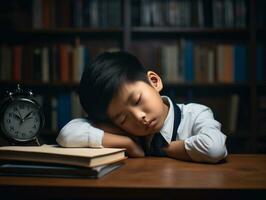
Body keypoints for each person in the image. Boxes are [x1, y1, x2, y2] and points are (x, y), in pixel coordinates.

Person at [56, 51, 227, 163]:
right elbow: (67, 134)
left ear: (154, 81)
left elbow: (214, 148)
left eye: (137, 100)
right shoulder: (125, 130)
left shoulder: (196, 114)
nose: (139, 117)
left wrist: (165, 148)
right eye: (123, 118)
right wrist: (127, 143)